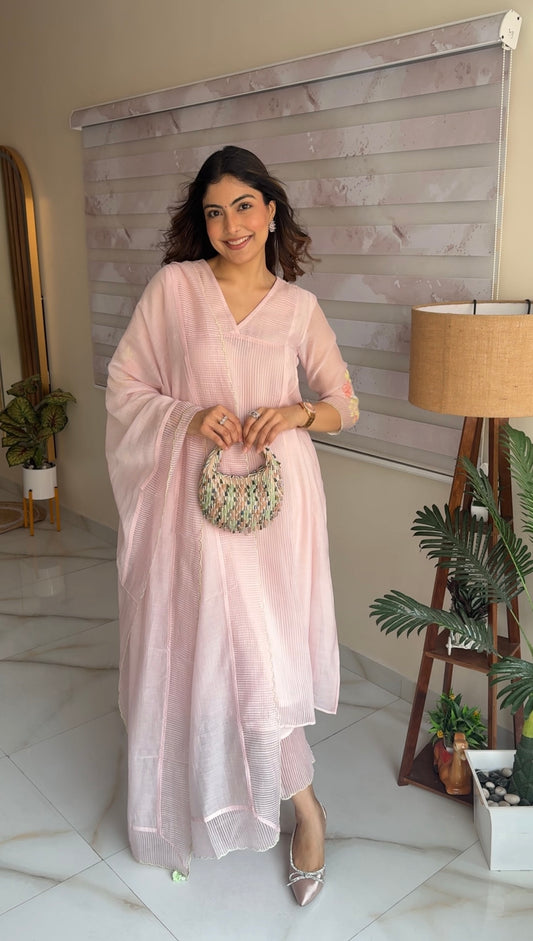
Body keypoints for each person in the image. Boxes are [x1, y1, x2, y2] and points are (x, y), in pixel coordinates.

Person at [105, 145, 359, 906]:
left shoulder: (297, 309)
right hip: (192, 506)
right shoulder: (175, 289)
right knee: (212, 655)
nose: (230, 225)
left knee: (262, 662)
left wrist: (296, 412)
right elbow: (126, 384)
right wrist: (186, 416)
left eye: (244, 206)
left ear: (271, 210)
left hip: (276, 510)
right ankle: (214, 805)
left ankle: (304, 813)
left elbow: (344, 403)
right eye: (214, 212)